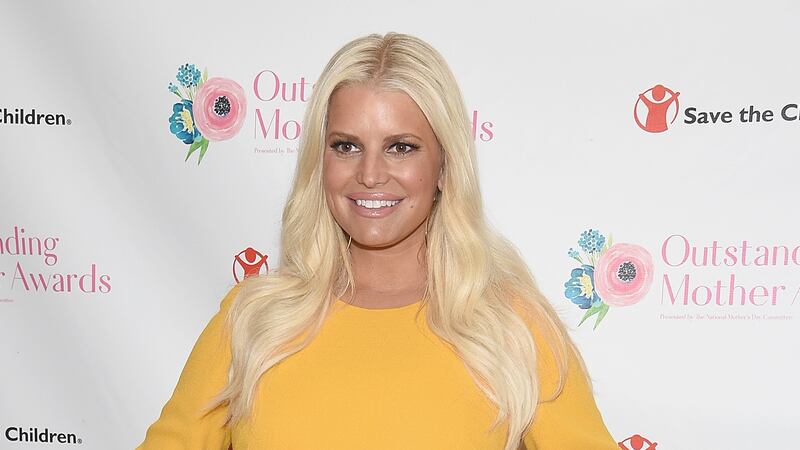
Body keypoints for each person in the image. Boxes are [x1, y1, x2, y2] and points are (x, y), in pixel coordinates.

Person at [137, 32, 618, 450]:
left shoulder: (514, 327)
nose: (370, 174)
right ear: (320, 161)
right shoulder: (251, 319)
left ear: (445, 166)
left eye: (400, 147)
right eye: (346, 146)